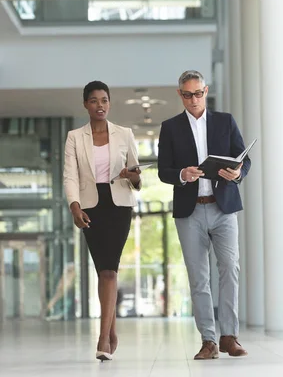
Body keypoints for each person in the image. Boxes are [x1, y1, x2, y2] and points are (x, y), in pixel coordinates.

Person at [158, 70, 251, 360]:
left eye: (198, 93)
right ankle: (208, 340)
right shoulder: (170, 127)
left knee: (229, 270)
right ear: (180, 95)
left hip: (223, 206)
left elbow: (243, 159)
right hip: (190, 211)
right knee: (198, 278)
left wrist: (237, 173)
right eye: (188, 94)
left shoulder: (225, 121)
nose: (194, 99)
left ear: (206, 91)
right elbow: (163, 171)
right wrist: (182, 175)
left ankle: (229, 336)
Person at [63, 81, 142, 361]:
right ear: (85, 104)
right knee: (103, 270)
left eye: (105, 100)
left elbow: (136, 176)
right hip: (90, 206)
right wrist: (74, 207)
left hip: (118, 204)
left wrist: (132, 175)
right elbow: (70, 176)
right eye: (94, 100)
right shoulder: (74, 137)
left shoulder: (125, 133)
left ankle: (102, 337)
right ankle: (111, 331)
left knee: (109, 270)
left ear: (110, 103)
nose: (100, 105)